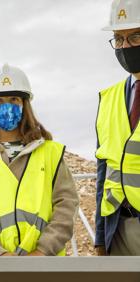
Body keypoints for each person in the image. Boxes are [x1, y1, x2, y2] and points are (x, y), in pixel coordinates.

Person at [0, 64, 79, 256]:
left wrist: (42, 251)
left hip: (45, 263)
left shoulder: (51, 153)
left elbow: (66, 205)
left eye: (14, 99)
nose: (7, 106)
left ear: (24, 105)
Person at [95, 0, 140, 256]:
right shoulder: (108, 98)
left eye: (134, 36)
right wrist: (100, 239)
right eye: (118, 39)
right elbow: (104, 172)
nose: (125, 47)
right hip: (118, 228)